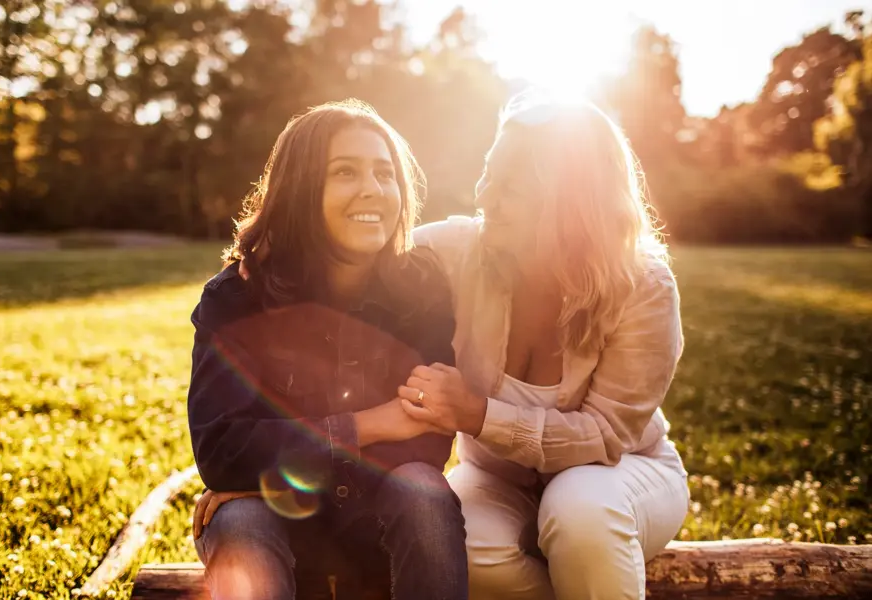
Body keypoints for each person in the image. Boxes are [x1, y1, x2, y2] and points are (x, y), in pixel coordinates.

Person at [399, 92, 690, 600]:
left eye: (512, 186)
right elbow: (368, 254)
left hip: (620, 474)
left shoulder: (644, 287)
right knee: (454, 539)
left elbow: (604, 437)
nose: (486, 195)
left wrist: (477, 414)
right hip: (497, 481)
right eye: (489, 171)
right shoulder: (461, 250)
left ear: (573, 203)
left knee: (581, 511)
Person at [187, 99, 467, 600]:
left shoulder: (420, 289)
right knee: (242, 517)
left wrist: (270, 471)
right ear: (300, 187)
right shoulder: (236, 298)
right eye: (345, 171)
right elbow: (221, 449)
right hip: (274, 523)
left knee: (422, 492)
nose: (373, 190)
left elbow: (424, 442)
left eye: (385, 174)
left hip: (377, 522)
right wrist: (368, 425)